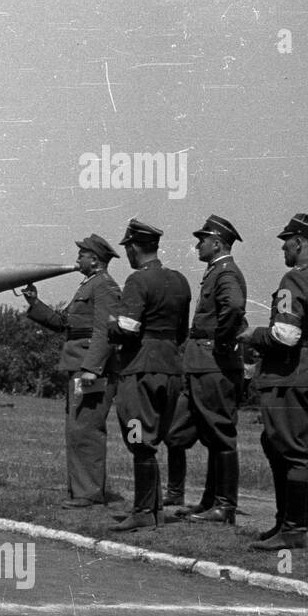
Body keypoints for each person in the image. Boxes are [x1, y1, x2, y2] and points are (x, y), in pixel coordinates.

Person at [245, 213, 308, 551]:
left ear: (299, 242)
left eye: (286, 240)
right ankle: (286, 523)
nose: (283, 246)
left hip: (288, 376)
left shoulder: (294, 280)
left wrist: (252, 335)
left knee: (291, 450)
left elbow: (285, 335)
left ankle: (294, 529)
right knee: (277, 443)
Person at [22, 234, 123, 508]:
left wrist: (92, 368)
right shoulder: (89, 285)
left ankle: (88, 494)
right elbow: (64, 323)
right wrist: (35, 303)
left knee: (85, 429)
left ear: (95, 259)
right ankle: (82, 491)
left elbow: (105, 330)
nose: (78, 258)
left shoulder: (103, 286)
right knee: (77, 428)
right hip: (81, 366)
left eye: (82, 254)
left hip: (90, 369)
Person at [105, 219, 191, 532]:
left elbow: (128, 329)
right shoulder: (180, 281)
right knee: (152, 437)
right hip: (170, 367)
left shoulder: (137, 281)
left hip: (139, 368)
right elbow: (182, 331)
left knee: (137, 435)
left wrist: (111, 326)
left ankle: (143, 510)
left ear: (133, 247)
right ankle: (152, 508)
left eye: (127, 247)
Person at [163, 215, 247, 524]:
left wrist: (221, 339)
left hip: (214, 364)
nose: (198, 245)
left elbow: (235, 308)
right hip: (201, 365)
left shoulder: (225, 273)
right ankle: (209, 501)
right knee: (181, 431)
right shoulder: (216, 272)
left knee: (220, 434)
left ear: (217, 243)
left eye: (202, 240)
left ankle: (224, 506)